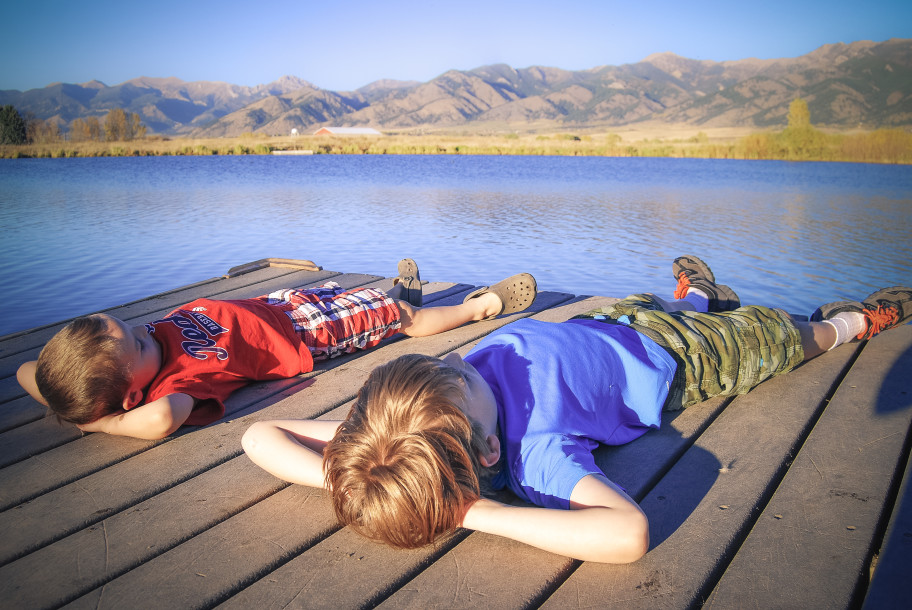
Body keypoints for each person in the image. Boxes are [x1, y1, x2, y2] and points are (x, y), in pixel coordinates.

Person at [241, 256, 912, 564]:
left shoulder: (399, 436)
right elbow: (627, 534)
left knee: (650, 303)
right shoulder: (534, 457)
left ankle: (700, 294)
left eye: (444, 362)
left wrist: (364, 468)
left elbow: (260, 436)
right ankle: (854, 321)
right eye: (458, 379)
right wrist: (473, 509)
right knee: (778, 337)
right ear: (487, 454)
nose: (456, 360)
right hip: (677, 362)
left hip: (608, 327)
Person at [16, 259, 538, 440]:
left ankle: (395, 297)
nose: (141, 329)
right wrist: (97, 424)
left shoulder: (137, 359)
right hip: (303, 336)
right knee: (400, 321)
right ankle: (482, 305)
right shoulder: (175, 384)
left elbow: (28, 372)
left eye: (129, 325)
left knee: (358, 300)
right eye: (134, 341)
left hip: (277, 305)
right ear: (131, 396)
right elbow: (159, 422)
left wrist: (62, 396)